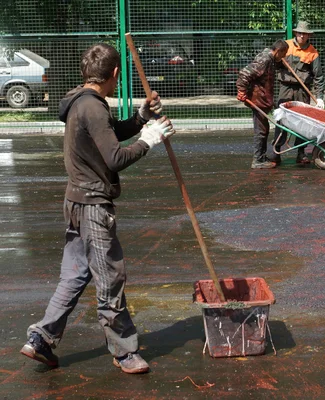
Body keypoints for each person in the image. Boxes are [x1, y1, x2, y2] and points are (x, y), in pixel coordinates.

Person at [20, 43, 175, 374]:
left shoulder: (83, 102)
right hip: (92, 208)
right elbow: (115, 157)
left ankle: (42, 339)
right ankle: (124, 352)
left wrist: (140, 119)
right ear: (115, 74)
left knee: (74, 274)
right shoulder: (93, 108)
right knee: (110, 278)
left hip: (76, 201)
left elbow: (108, 135)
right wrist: (149, 139)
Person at [273, 21, 325, 165]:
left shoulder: (313, 53)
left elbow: (318, 77)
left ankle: (301, 153)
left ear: (309, 35)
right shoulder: (286, 46)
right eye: (300, 33)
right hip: (285, 87)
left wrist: (319, 97)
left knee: (303, 121)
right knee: (281, 119)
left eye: (305, 33)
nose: (302, 35)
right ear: (296, 33)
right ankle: (275, 151)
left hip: (302, 90)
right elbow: (275, 60)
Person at [236, 39, 289, 169]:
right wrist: (241, 90)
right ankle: (258, 160)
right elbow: (245, 73)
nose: (284, 56)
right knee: (261, 130)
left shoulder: (270, 58)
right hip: (257, 100)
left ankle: (261, 156)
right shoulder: (264, 60)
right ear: (278, 51)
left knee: (263, 129)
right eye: (284, 53)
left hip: (263, 99)